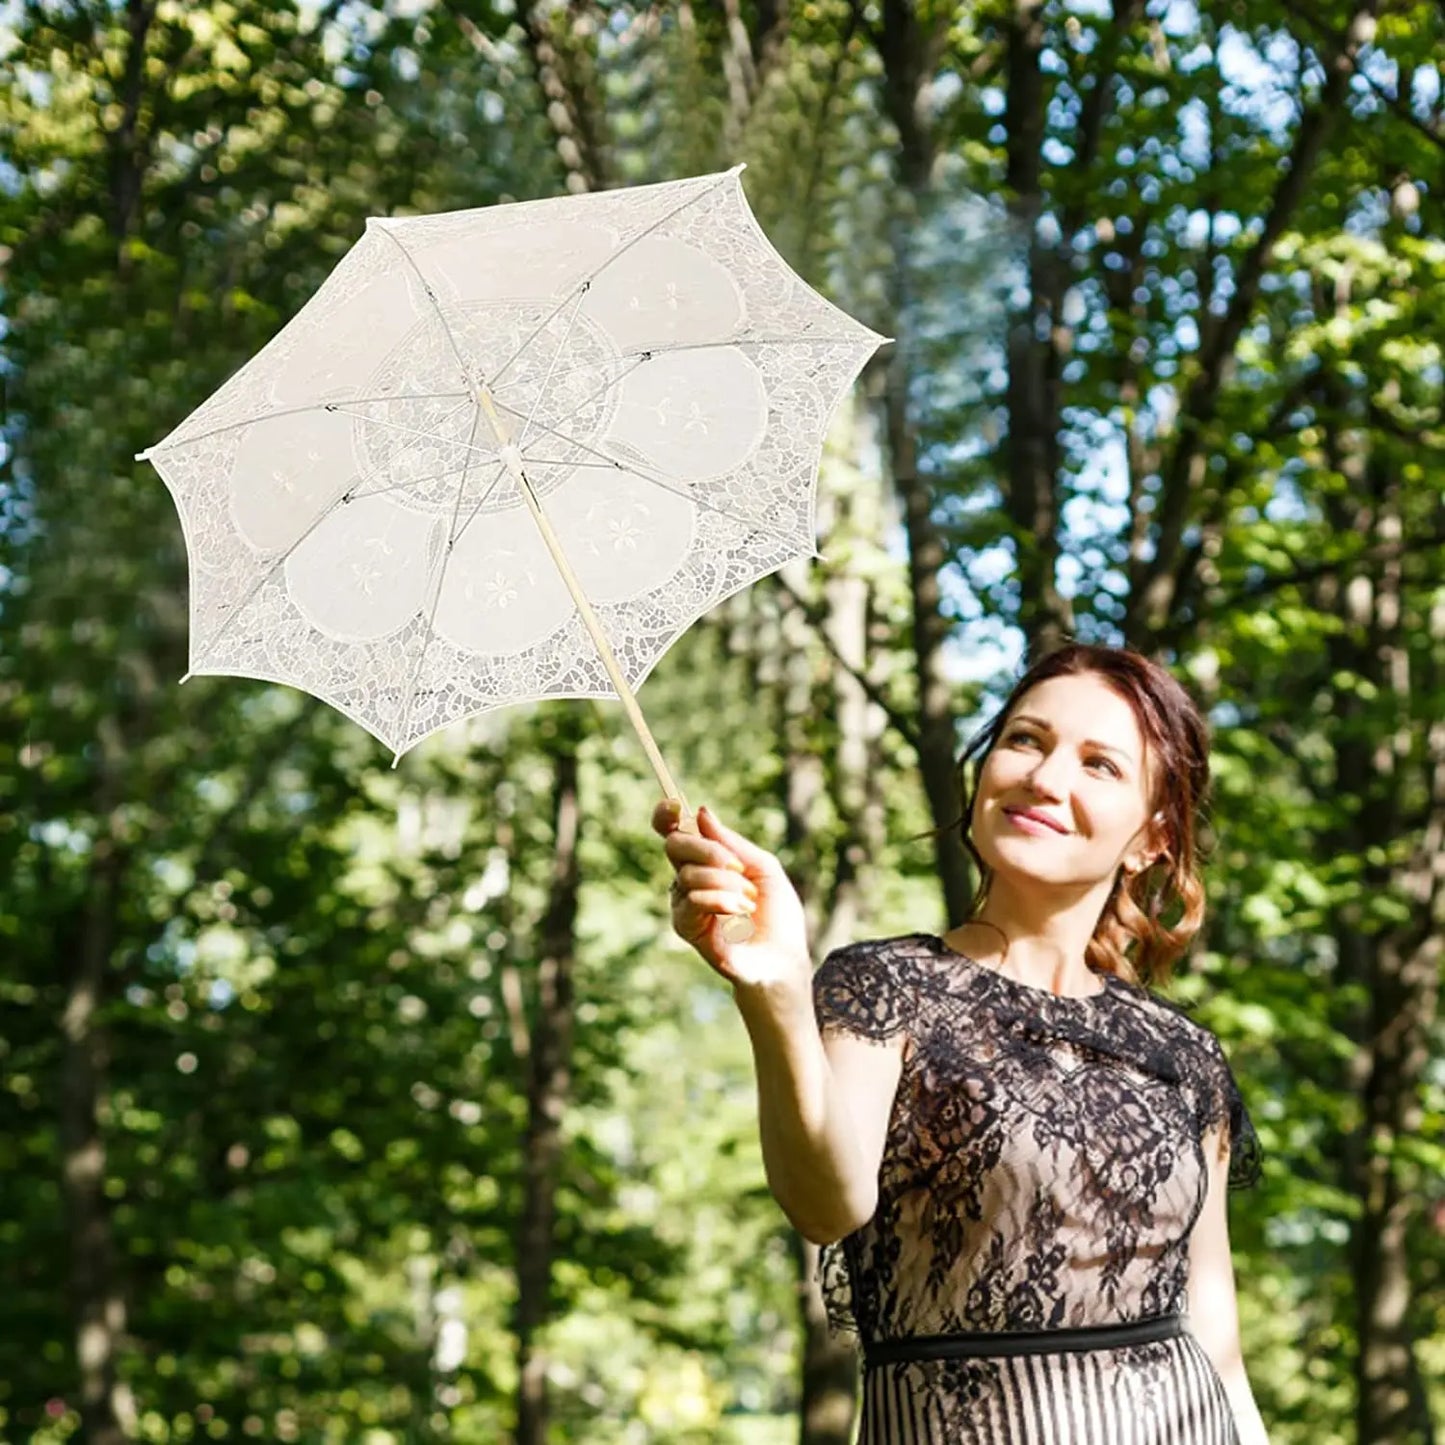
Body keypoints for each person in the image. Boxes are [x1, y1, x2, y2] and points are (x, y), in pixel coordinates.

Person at [652, 642, 1269, 1445]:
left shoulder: (1184, 1054)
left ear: (1152, 835)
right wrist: (772, 987)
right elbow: (824, 1200)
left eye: (1099, 765)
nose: (1045, 778)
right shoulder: (885, 986)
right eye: (1024, 739)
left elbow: (1217, 1347)